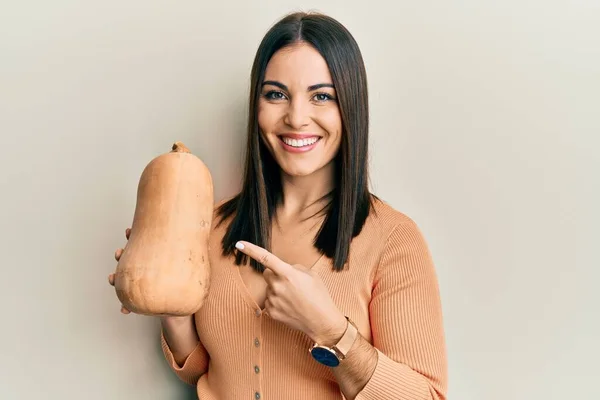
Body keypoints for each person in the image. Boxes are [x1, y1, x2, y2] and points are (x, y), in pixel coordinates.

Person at [109, 11, 447, 400]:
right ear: (257, 105)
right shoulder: (212, 227)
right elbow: (209, 373)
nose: (296, 117)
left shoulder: (394, 240)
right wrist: (174, 310)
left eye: (322, 96)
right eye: (276, 94)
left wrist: (331, 330)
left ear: (351, 107)